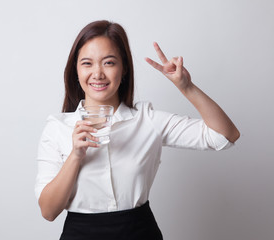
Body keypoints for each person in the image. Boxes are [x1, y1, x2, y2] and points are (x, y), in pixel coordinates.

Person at [35, 20, 240, 240]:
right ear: (76, 69)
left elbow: (225, 135)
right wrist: (75, 156)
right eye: (87, 63)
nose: (97, 73)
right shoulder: (57, 128)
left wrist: (186, 87)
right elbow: (48, 211)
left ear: (123, 69)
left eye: (109, 63)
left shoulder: (147, 120)